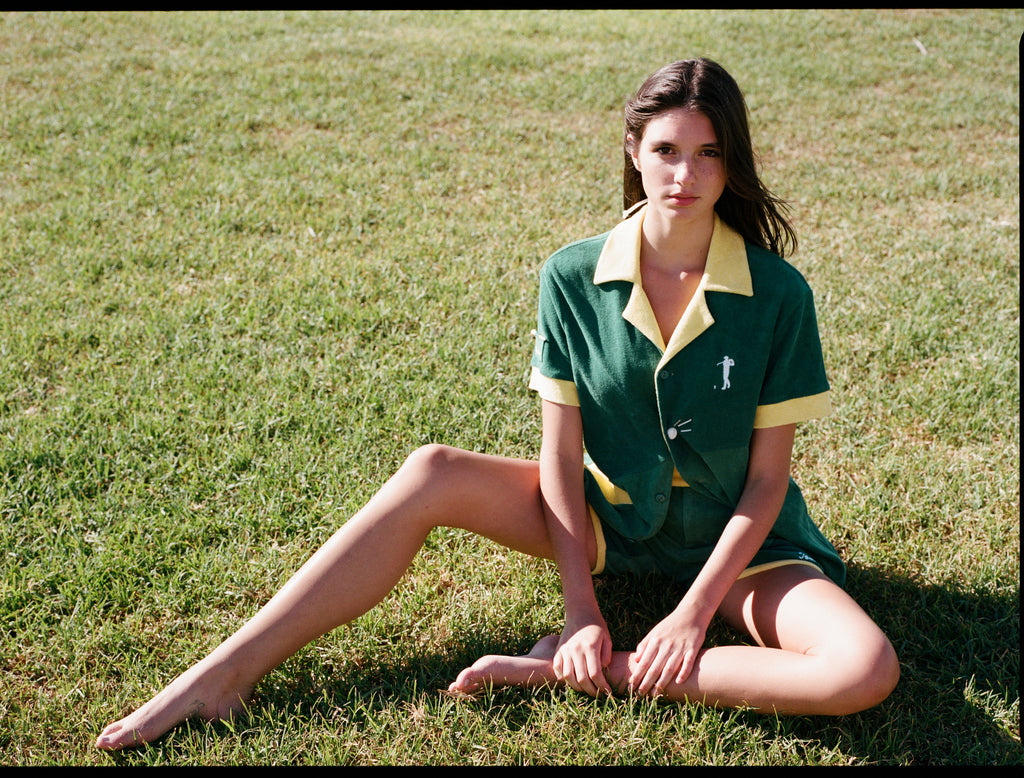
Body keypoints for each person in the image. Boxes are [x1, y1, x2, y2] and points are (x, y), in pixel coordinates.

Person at [96, 58, 898, 751]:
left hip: (743, 550)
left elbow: (766, 483)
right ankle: (222, 675)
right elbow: (559, 452)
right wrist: (581, 607)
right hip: (606, 522)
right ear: (634, 150)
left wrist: (689, 615)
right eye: (665, 151)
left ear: (732, 162)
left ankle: (585, 676)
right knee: (431, 471)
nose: (683, 176)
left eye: (707, 153)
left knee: (864, 669)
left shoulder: (779, 294)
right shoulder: (570, 276)